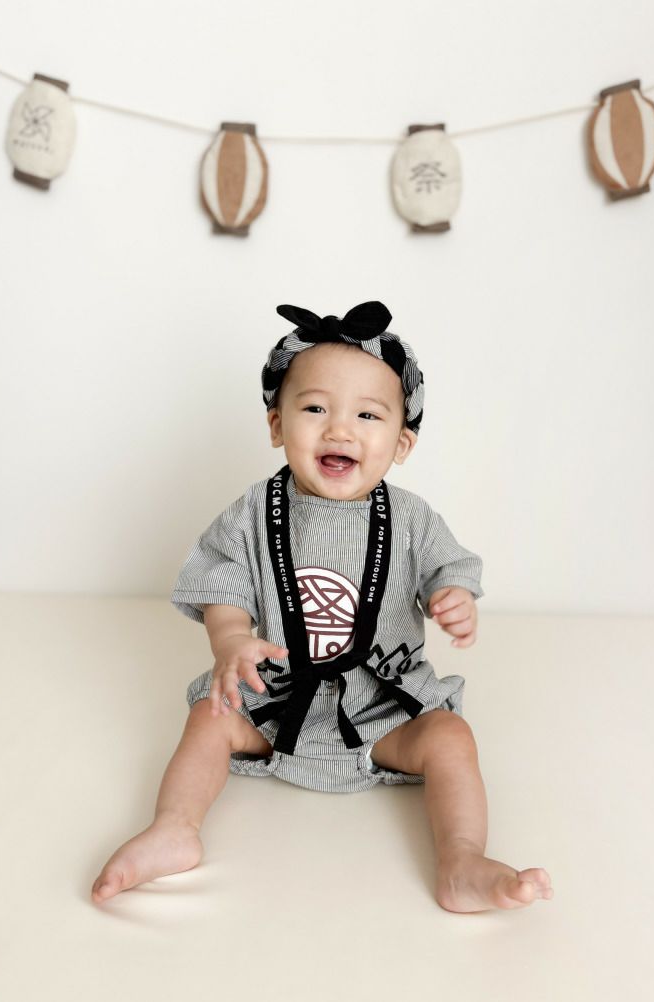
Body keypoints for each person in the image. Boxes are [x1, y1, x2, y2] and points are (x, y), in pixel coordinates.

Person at [91, 301, 553, 913]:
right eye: (315, 409)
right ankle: (174, 828)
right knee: (210, 715)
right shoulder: (253, 512)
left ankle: (462, 859)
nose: (339, 430)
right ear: (276, 424)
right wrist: (231, 642)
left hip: (382, 706)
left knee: (450, 737)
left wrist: (454, 595)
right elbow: (222, 580)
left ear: (402, 442)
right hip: (275, 700)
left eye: (367, 415)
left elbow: (450, 563)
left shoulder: (412, 519)